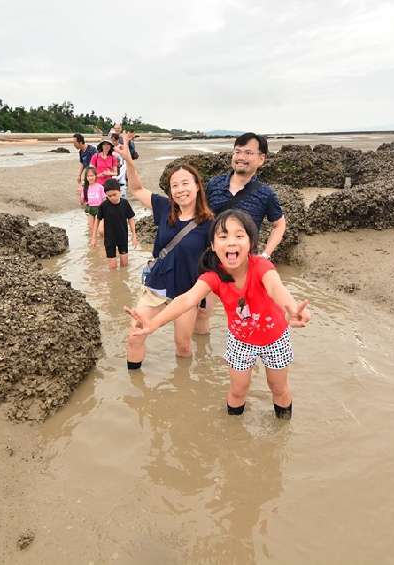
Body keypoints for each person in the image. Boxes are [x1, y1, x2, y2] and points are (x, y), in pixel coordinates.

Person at [127, 209, 311, 419]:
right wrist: (154, 323)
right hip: (240, 340)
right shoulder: (213, 277)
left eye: (239, 236)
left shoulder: (261, 266)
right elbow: (186, 299)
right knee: (237, 390)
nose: (231, 242)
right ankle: (233, 435)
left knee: (278, 388)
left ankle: (282, 432)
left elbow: (276, 288)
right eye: (223, 237)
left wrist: (292, 307)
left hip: (276, 337)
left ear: (251, 243)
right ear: (213, 246)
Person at [116, 132, 214, 367]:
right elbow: (137, 189)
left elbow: (219, 261)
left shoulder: (210, 223)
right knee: (135, 334)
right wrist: (129, 161)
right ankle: (136, 391)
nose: (180, 189)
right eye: (174, 185)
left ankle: (183, 390)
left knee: (183, 347)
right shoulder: (163, 207)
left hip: (186, 293)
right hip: (156, 288)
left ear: (197, 186)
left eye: (185, 183)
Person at [197, 132, 287, 334]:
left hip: (246, 266)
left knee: (248, 315)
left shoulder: (265, 194)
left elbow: (279, 225)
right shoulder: (214, 185)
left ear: (261, 159)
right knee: (202, 312)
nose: (241, 157)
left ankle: (246, 354)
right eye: (237, 151)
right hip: (212, 259)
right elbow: (198, 216)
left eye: (248, 152)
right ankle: (201, 358)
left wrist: (265, 255)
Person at [91, 178, 138, 270]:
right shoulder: (103, 206)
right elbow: (97, 220)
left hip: (122, 237)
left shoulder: (125, 203)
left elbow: (131, 218)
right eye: (109, 196)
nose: (112, 197)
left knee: (124, 265)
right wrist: (93, 237)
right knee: (112, 267)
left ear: (120, 191)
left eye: (114, 194)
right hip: (109, 240)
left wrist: (134, 235)